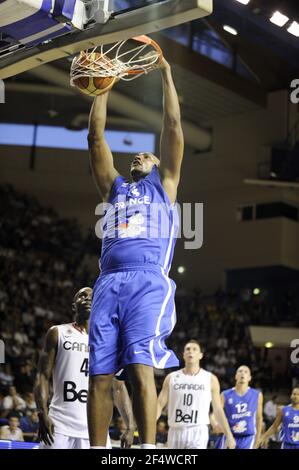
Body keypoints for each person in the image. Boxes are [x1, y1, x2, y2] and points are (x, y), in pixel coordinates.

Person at [87, 56, 184, 449]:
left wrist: (166, 72)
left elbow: (174, 125)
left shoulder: (168, 186)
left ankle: (147, 451)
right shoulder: (113, 188)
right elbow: (95, 137)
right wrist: (103, 85)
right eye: (136, 156)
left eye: (147, 154)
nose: (138, 157)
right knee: (100, 376)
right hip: (108, 282)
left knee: (141, 367)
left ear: (160, 164)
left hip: (147, 282)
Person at [34, 287, 134, 449]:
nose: (87, 299)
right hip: (59, 424)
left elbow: (118, 387)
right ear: (74, 305)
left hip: (96, 428)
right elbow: (42, 376)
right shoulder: (57, 332)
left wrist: (130, 426)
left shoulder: (110, 342)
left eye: (92, 297)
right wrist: (42, 413)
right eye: (82, 296)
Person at [156, 340, 236, 449]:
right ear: (183, 355)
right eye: (187, 349)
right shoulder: (171, 378)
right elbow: (159, 405)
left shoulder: (210, 379)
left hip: (198, 430)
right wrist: (145, 427)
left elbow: (217, 410)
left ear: (200, 355)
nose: (190, 352)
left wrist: (229, 435)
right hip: (175, 429)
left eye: (194, 349)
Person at [216, 365, 263, 449]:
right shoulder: (225, 394)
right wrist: (215, 423)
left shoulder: (257, 395)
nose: (242, 373)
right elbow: (215, 412)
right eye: (240, 371)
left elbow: (259, 418)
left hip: (248, 437)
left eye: (246, 372)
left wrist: (258, 438)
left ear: (249, 378)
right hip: (230, 435)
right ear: (235, 376)